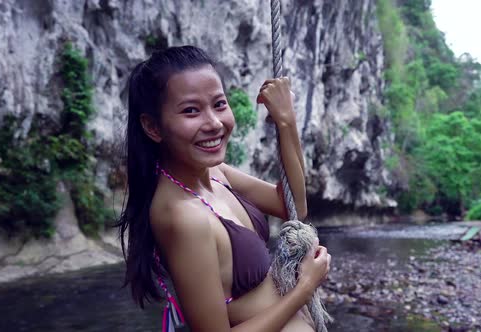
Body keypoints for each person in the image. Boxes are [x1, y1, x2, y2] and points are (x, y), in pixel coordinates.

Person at [118, 45, 331, 331]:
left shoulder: (215, 173)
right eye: (191, 111)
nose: (215, 123)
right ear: (153, 127)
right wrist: (303, 288)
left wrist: (286, 121)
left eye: (219, 104)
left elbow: (291, 205)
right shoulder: (184, 217)